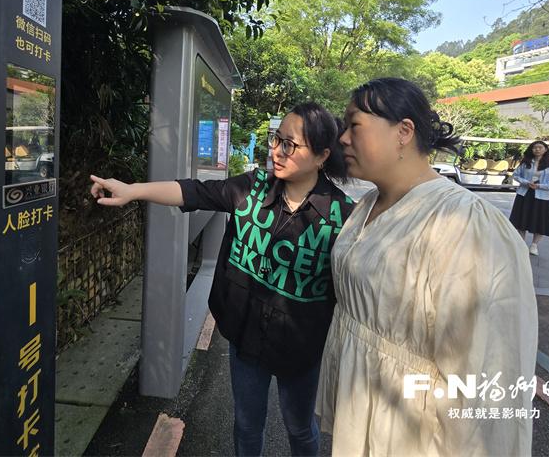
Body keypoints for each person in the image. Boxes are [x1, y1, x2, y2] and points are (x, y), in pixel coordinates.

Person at [90, 102, 355, 457]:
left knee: (299, 428)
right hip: (245, 336)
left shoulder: (343, 217)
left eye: (290, 144)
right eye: (276, 139)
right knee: (247, 424)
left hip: (301, 348)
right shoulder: (252, 188)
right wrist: (133, 190)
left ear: (322, 156)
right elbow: (195, 191)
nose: (277, 151)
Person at [315, 78, 538, 457]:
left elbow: (487, 369)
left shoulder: (466, 224)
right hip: (361, 411)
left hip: (414, 435)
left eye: (354, 125)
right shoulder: (367, 204)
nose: (343, 139)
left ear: (403, 132)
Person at [509, 140, 549, 256]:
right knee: (521, 219)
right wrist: (526, 182)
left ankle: (534, 245)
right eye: (535, 147)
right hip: (525, 193)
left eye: (540, 147)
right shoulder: (526, 163)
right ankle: (521, 244)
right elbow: (516, 175)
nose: (537, 149)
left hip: (542, 196)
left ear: (545, 150)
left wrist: (540, 186)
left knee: (539, 221)